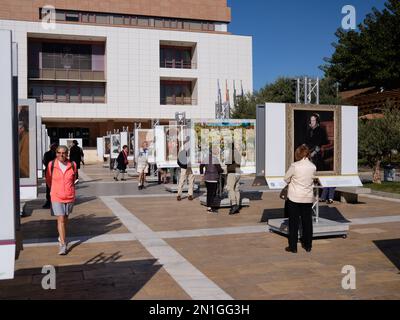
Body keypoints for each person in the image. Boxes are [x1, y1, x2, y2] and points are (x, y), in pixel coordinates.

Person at [284, 144, 316, 253]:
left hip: (294, 197)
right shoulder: (312, 166)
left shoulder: (295, 166)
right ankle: (308, 245)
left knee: (293, 223)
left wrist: (291, 181)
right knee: (307, 222)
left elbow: (286, 178)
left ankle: (293, 247)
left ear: (298, 154)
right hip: (307, 197)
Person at [45, 146, 78, 255]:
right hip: (56, 196)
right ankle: (63, 245)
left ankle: (61, 235)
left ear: (67, 153)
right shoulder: (51, 165)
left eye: (63, 153)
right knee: (61, 219)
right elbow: (49, 181)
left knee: (65, 218)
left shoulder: (72, 165)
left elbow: (73, 180)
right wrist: (54, 191)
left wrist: (70, 190)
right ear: (56, 153)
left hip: (69, 196)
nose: (61, 155)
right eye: (59, 153)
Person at [200, 146, 223, 213]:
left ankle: (209, 207)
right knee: (213, 193)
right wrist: (222, 170)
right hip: (213, 178)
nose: (218, 151)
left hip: (207, 178)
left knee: (209, 193)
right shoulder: (215, 159)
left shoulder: (206, 158)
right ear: (213, 151)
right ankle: (211, 207)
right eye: (216, 150)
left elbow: (201, 166)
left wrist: (202, 174)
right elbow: (219, 169)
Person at [226, 144, 242, 215]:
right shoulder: (238, 152)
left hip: (232, 173)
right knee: (236, 189)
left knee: (230, 188)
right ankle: (237, 205)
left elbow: (229, 161)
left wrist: (226, 162)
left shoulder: (232, 152)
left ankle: (234, 204)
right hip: (238, 173)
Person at [42, 143, 58, 209]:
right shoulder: (48, 154)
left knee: (52, 188)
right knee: (49, 187)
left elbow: (45, 162)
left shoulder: (57, 154)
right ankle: (49, 201)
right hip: (50, 172)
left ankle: (52, 201)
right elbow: (45, 162)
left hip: (54, 172)